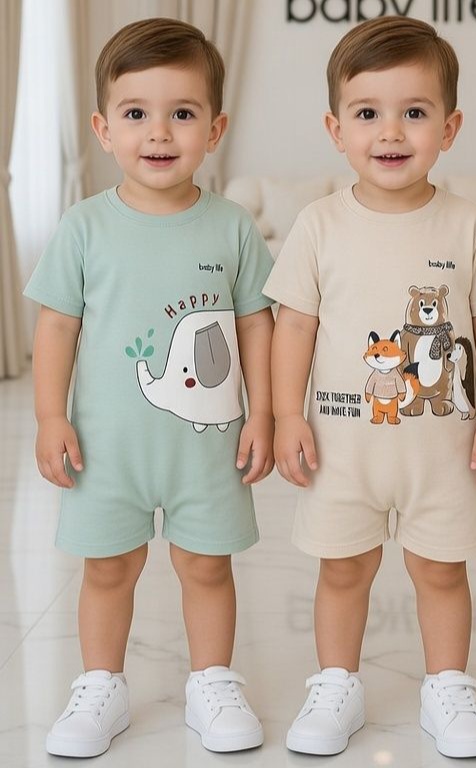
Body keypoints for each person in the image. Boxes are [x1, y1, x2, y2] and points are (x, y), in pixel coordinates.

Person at [263, 16, 476, 759]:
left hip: (441, 449)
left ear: (449, 127)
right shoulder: (318, 224)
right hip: (341, 446)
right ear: (335, 128)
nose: (390, 131)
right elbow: (293, 326)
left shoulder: (469, 225)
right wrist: (286, 415)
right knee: (342, 569)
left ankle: (448, 687)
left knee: (441, 571)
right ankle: (336, 684)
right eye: (367, 113)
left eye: (414, 111)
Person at [24, 18, 275, 758]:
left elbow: (258, 326)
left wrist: (265, 411)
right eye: (136, 113)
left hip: (208, 447)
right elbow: (56, 326)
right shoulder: (83, 227)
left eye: (183, 113)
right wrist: (49, 416)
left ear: (215, 128)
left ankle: (212, 681)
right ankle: (100, 684)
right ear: (103, 129)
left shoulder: (232, 227)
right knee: (108, 568)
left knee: (207, 565)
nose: (158, 132)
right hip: (106, 448)